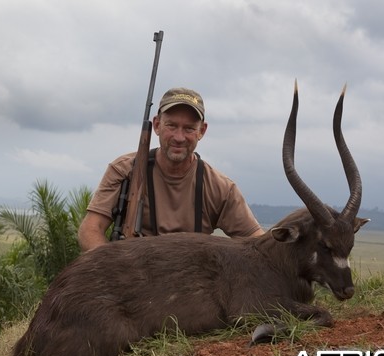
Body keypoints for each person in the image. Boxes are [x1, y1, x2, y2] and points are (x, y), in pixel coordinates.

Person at [78, 87, 265, 252]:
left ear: (202, 131)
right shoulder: (124, 170)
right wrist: (115, 269)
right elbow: (90, 230)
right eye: (172, 125)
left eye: (189, 128)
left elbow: (258, 244)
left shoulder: (221, 188)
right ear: (157, 125)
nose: (179, 137)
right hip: (132, 279)